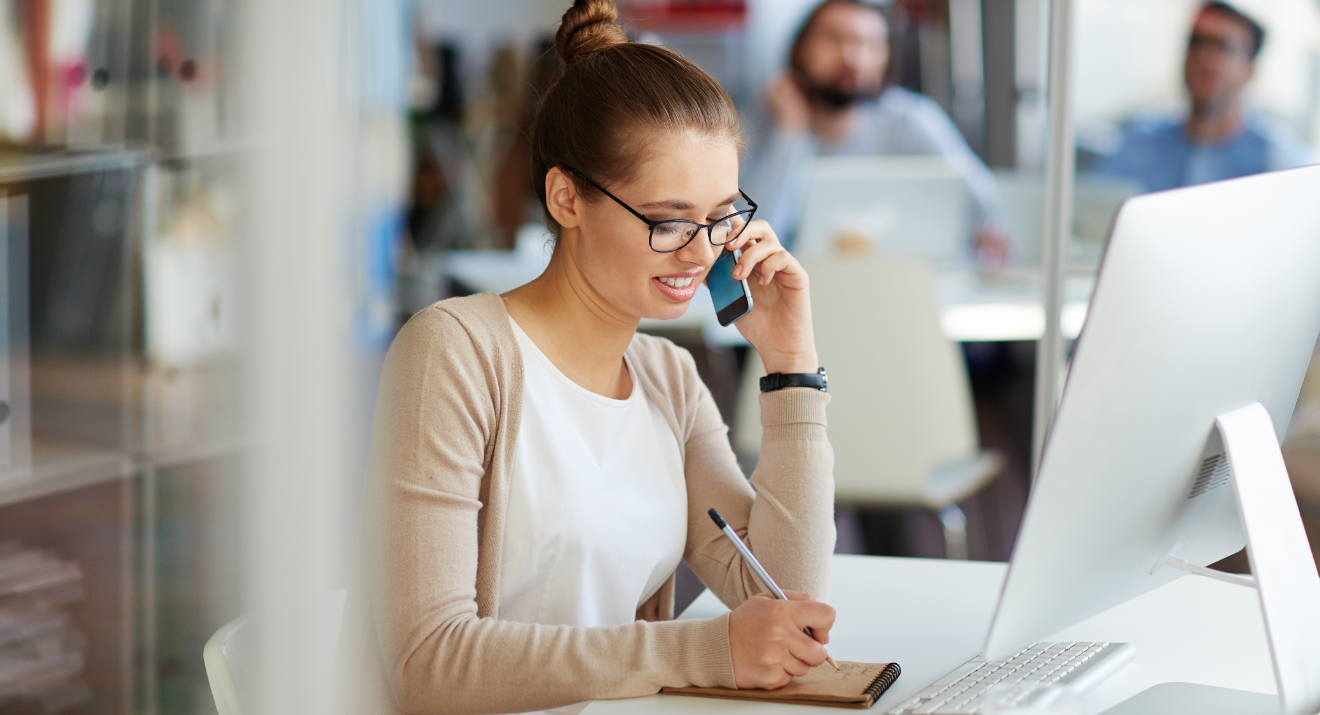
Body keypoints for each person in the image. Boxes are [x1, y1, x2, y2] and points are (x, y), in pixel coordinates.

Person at [336, 0, 838, 713]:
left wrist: (791, 365)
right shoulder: (454, 352)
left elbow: (787, 598)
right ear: (567, 197)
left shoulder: (668, 380)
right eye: (668, 221)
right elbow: (431, 662)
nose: (702, 252)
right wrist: (699, 650)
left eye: (722, 216)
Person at [742, 0, 1006, 263]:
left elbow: (984, 204)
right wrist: (790, 134)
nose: (851, 57)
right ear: (801, 51)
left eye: (868, 43)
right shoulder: (760, 128)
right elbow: (748, 235)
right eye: (833, 39)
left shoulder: (910, 120)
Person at [1094, 2, 1313, 192]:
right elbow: (1092, 213)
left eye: (1223, 47)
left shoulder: (1281, 165)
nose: (1205, 58)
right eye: (1197, 42)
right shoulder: (1140, 144)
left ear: (1250, 71)